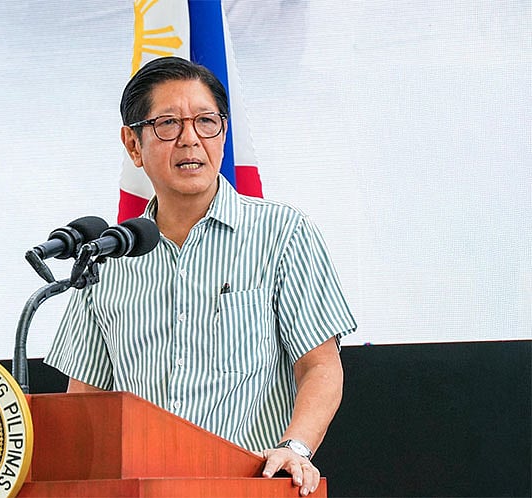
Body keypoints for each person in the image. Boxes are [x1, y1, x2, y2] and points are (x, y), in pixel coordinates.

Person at [45, 56, 356, 497]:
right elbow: (86, 401)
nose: (190, 139)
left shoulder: (282, 233)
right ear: (133, 145)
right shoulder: (107, 257)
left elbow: (321, 366)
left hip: (250, 487)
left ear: (223, 134)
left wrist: (296, 447)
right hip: (143, 490)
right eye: (168, 124)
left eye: (206, 122)